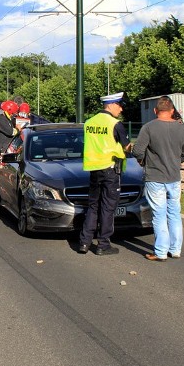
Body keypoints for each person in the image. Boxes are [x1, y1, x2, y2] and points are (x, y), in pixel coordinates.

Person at [132, 96, 184, 261]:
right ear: (172, 111)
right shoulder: (182, 129)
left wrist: (144, 159)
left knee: (159, 214)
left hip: (155, 177)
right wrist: (174, 161)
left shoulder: (149, 128)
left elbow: (137, 151)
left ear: (155, 111)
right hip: (174, 177)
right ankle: (175, 250)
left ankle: (160, 252)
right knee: (174, 213)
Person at [77, 91, 132, 256]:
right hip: (110, 170)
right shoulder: (115, 124)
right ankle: (103, 244)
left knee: (93, 206)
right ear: (112, 105)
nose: (121, 110)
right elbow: (126, 147)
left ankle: (84, 243)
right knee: (108, 208)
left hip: (94, 170)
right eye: (120, 106)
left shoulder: (89, 122)